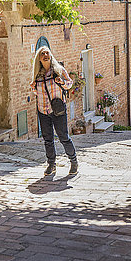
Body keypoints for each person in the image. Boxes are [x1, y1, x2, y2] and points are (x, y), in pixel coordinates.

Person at [31, 46, 78, 176]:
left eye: (47, 53)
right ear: (39, 58)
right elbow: (37, 93)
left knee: (63, 137)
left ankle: (73, 161)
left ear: (51, 55)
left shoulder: (58, 70)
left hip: (58, 110)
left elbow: (69, 84)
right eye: (42, 54)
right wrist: (34, 88)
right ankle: (51, 164)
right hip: (42, 110)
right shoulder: (37, 75)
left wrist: (61, 82)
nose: (45, 55)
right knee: (48, 139)